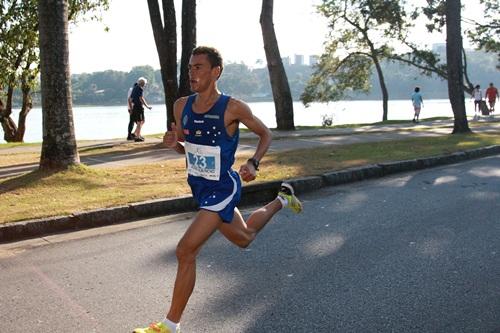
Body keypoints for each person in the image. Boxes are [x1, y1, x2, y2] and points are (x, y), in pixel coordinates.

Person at [133, 46, 303, 333]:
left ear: (216, 72)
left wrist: (253, 162)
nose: (192, 72)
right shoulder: (181, 106)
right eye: (190, 67)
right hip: (200, 188)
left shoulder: (232, 107)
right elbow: (184, 146)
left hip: (223, 187)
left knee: (186, 250)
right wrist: (173, 143)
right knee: (244, 237)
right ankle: (283, 200)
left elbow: (265, 134)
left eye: (199, 67)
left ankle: (169, 325)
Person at [130, 77, 152, 142]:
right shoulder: (140, 89)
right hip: (139, 107)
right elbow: (141, 98)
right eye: (144, 84)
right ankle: (137, 137)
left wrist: (131, 108)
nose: (145, 85)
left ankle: (135, 134)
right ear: (142, 83)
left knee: (142, 121)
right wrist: (147, 106)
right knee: (139, 122)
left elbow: (130, 99)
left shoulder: (134, 88)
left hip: (135, 107)